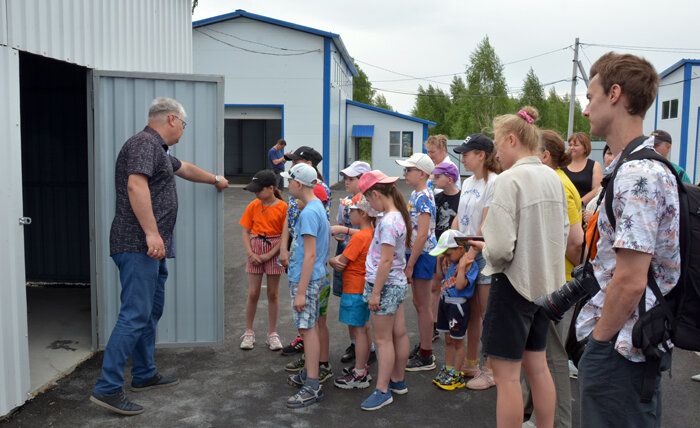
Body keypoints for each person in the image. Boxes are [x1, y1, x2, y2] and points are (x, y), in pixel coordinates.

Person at [90, 97, 229, 416]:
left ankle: (143, 374)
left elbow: (185, 169)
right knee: (135, 313)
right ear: (171, 119)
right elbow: (135, 186)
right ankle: (108, 387)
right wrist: (152, 234)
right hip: (139, 245)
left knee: (150, 311)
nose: (183, 128)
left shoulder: (159, 151)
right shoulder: (143, 143)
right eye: (184, 123)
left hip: (152, 249)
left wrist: (215, 179)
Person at [574, 52, 679, 428]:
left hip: (622, 348)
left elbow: (632, 279)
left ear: (614, 93)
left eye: (590, 97)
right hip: (630, 342)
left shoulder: (639, 176)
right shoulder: (632, 167)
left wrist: (599, 345)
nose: (586, 109)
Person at [471, 106, 569, 428]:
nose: (496, 153)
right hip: (546, 287)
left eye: (498, 144)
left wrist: (485, 250)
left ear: (512, 139)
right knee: (538, 367)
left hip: (513, 286)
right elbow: (564, 233)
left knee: (507, 377)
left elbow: (499, 250)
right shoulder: (552, 178)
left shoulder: (509, 180)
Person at [521, 129, 584, 428]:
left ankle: (557, 421)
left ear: (544, 155)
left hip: (555, 281)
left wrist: (564, 278)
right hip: (553, 278)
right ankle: (533, 411)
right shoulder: (557, 181)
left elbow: (575, 240)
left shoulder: (557, 183)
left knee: (552, 354)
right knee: (539, 350)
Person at [358, 170, 412, 410]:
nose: (368, 204)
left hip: (385, 285)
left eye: (368, 199)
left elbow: (386, 261)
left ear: (377, 194)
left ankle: (382, 390)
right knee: (398, 334)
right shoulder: (396, 215)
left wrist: (375, 292)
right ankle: (398, 381)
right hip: (396, 283)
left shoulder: (388, 221)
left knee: (382, 340)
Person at [450, 133, 500, 390]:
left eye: (467, 153)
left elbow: (487, 224)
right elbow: (459, 220)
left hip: (482, 257)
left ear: (482, 155)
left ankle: (491, 370)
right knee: (470, 315)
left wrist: (468, 256)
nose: (463, 158)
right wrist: (449, 248)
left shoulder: (495, 182)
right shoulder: (468, 182)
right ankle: (471, 363)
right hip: (466, 255)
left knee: (487, 314)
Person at [280, 163, 331, 408]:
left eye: (289, 181)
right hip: (309, 279)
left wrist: (300, 292)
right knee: (308, 328)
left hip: (307, 281)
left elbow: (310, 255)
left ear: (299, 184)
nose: (287, 185)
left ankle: (312, 384)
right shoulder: (315, 207)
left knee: (307, 330)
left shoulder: (310, 212)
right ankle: (310, 374)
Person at [395, 153, 438, 371]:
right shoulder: (417, 193)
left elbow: (422, 234)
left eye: (408, 170)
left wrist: (410, 264)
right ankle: (424, 347)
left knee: (423, 305)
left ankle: (426, 353)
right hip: (418, 254)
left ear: (421, 173)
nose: (405, 173)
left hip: (422, 255)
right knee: (420, 304)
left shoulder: (423, 197)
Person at [330, 194, 376, 390]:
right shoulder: (372, 233)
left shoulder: (359, 237)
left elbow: (341, 262)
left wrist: (331, 260)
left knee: (359, 331)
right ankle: (362, 369)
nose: (348, 214)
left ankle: (359, 374)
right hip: (362, 287)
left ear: (363, 213)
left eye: (352, 211)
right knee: (363, 328)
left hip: (354, 288)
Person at [239, 169, 288, 351]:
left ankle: (272, 334)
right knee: (253, 293)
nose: (256, 193)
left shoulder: (283, 207)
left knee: (273, 294)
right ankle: (249, 331)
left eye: (259, 190)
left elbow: (285, 236)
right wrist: (250, 253)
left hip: (274, 251)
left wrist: (270, 254)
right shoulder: (253, 205)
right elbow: (245, 231)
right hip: (255, 249)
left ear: (271, 188)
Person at [429, 229, 478, 391]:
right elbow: (438, 276)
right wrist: (440, 260)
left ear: (461, 249)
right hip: (445, 303)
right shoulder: (449, 262)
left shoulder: (470, 266)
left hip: (458, 306)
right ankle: (448, 368)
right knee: (448, 339)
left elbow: (459, 285)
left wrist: (462, 266)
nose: (446, 258)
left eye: (448, 254)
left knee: (458, 340)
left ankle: (457, 373)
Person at [429, 162, 461, 342]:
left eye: (437, 177)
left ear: (449, 179)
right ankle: (434, 323)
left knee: (453, 287)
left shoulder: (461, 199)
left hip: (454, 250)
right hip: (437, 247)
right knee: (435, 286)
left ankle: (454, 321)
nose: (433, 180)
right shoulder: (436, 198)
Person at [563, 132, 603, 205]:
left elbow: (597, 189)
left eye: (576, 145)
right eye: (570, 145)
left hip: (584, 209)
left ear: (585, 148)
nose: (572, 148)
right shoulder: (561, 164)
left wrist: (579, 203)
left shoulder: (594, 166)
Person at [582, 145, 614, 227]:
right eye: (609, 153)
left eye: (615, 154)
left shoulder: (621, 184)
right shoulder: (606, 183)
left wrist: (595, 217)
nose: (611, 159)